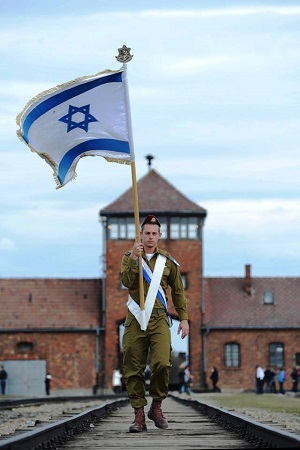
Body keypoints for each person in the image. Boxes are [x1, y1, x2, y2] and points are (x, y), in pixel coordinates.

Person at [121, 215, 189, 433]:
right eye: (146, 233)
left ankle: (156, 406)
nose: (150, 237)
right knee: (134, 368)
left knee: (162, 363)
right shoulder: (130, 257)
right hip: (135, 317)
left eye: (154, 234)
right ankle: (139, 415)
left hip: (159, 317)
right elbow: (127, 282)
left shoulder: (168, 262)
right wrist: (133, 258)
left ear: (159, 236)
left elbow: (178, 292)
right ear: (140, 234)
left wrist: (184, 318)